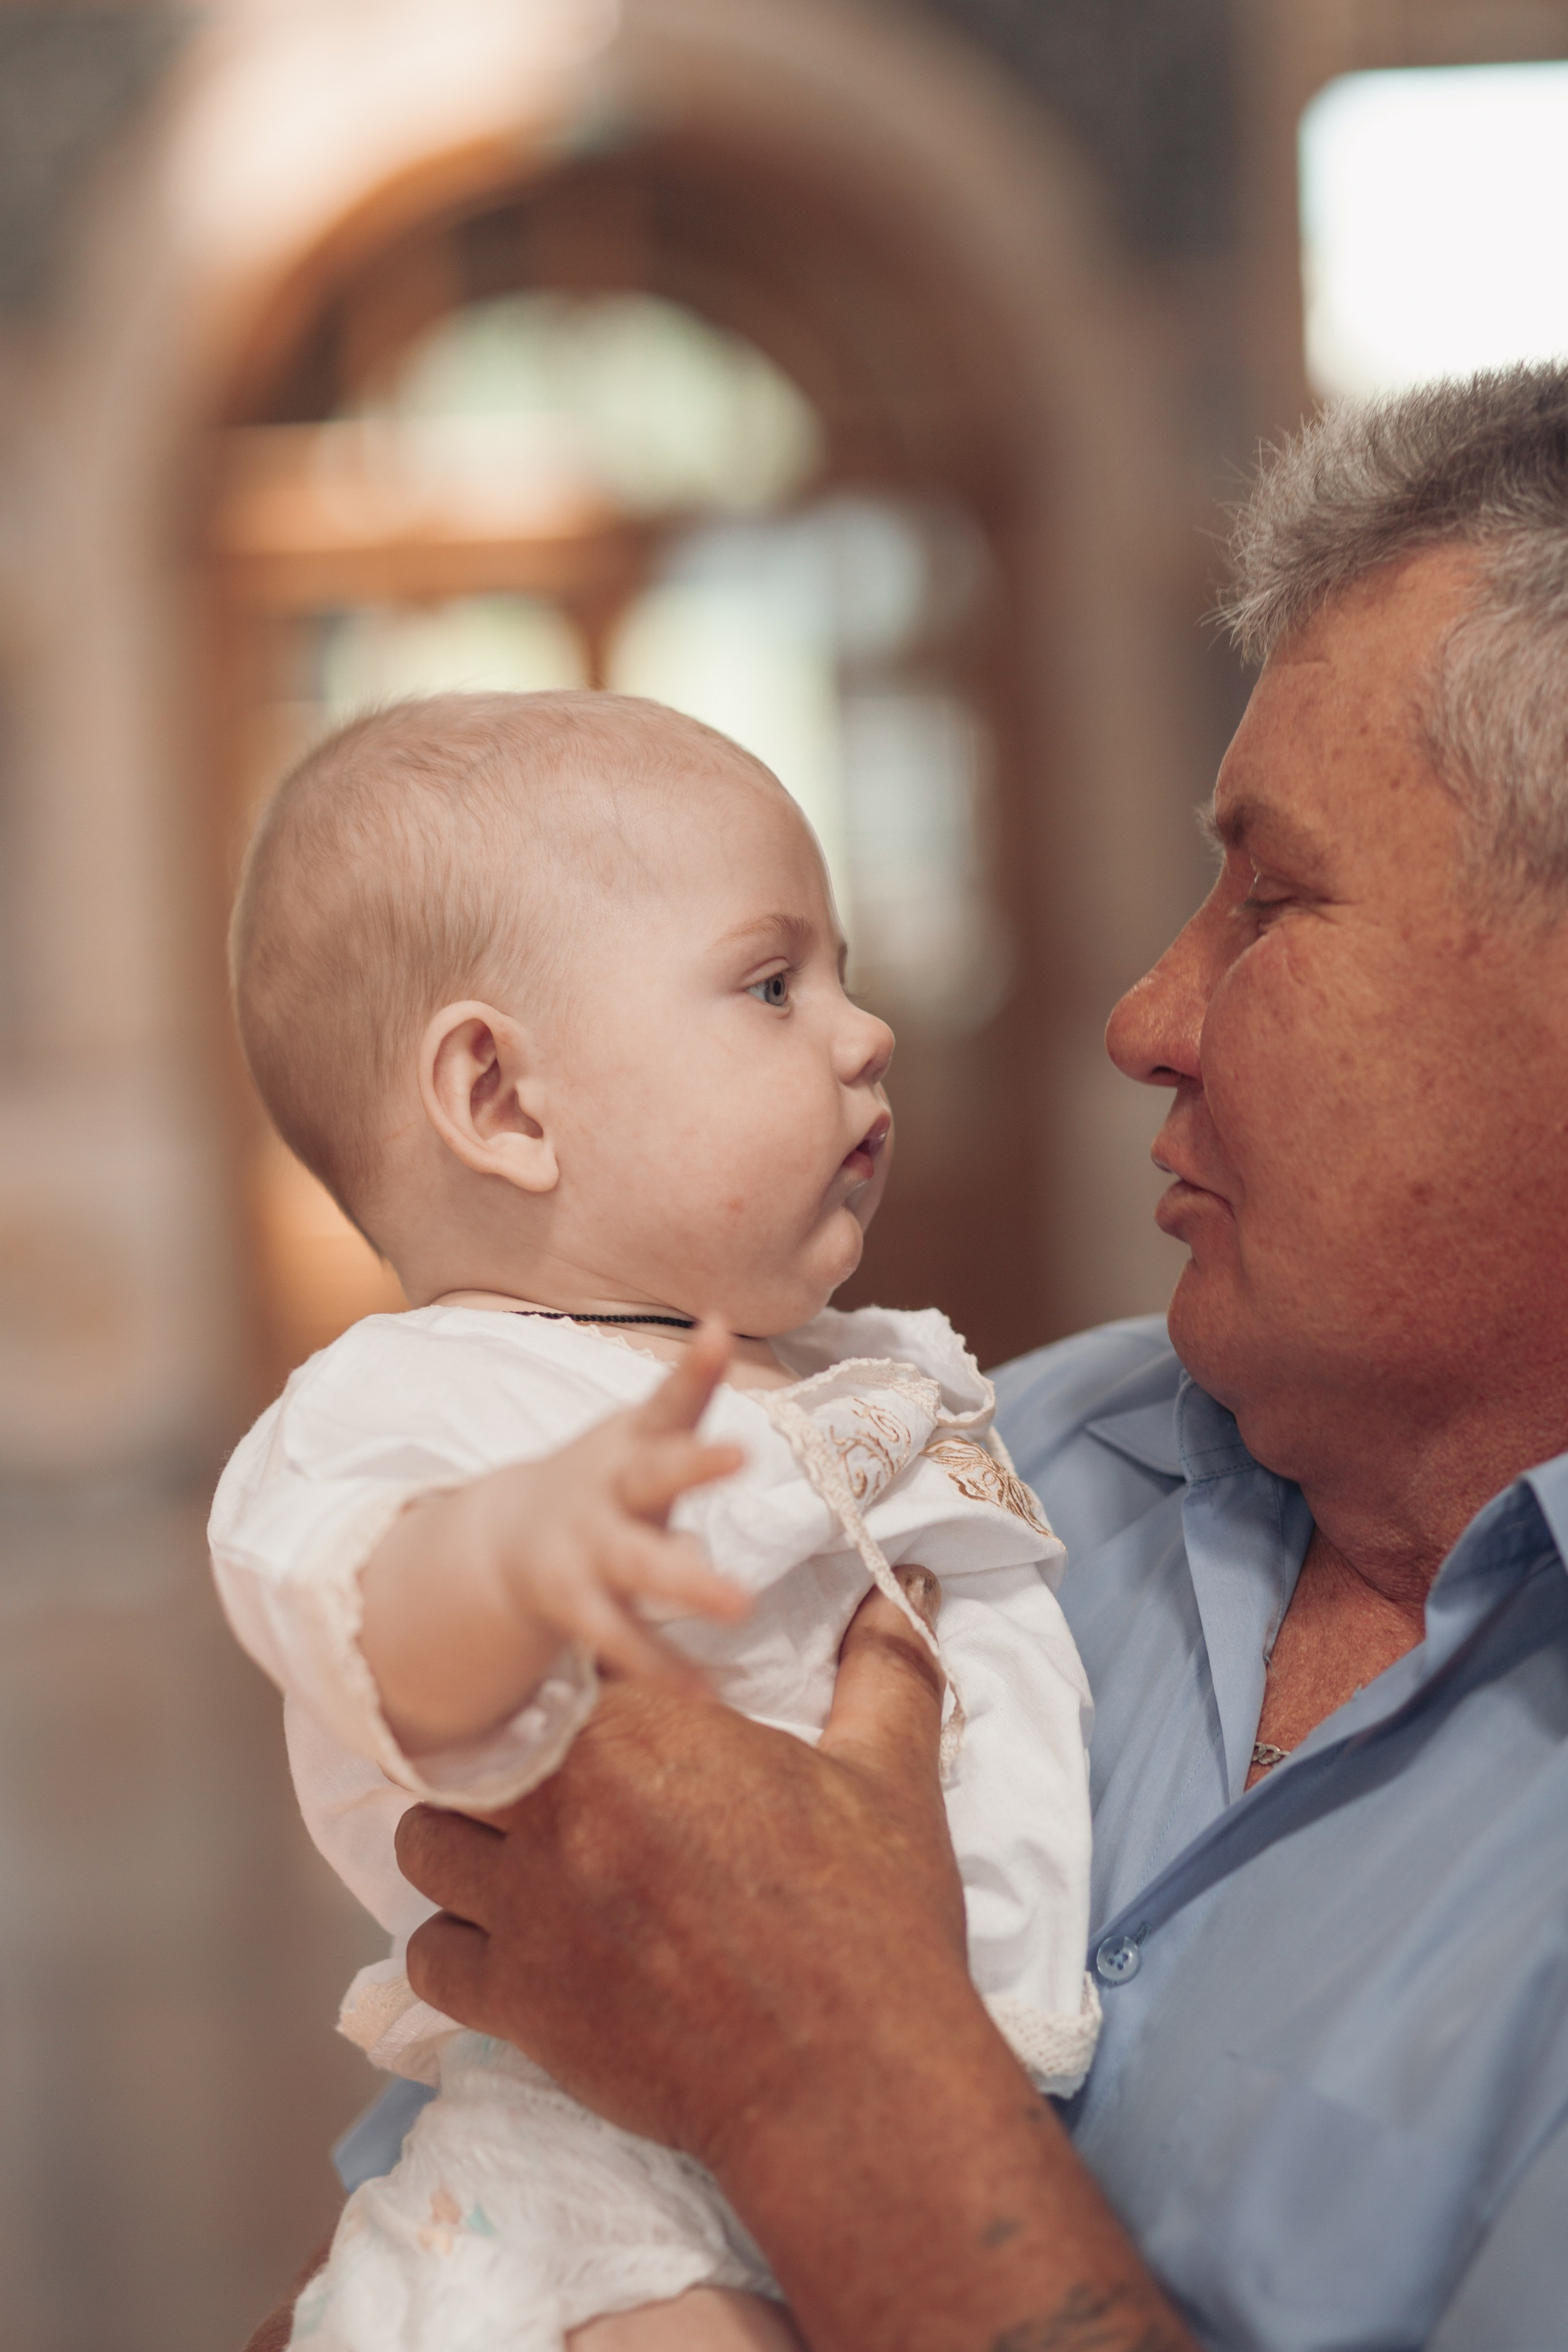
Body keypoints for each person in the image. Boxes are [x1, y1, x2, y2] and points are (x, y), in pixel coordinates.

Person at [366, 364, 1568, 2352]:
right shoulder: (969, 1461)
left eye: (1271, 901)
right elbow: (443, 2227)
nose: (1144, 1014)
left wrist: (824, 2072)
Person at [213, 691, 1099, 2351]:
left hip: (951, 2128)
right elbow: (362, 1613)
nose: (864, 1031)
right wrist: (522, 1551)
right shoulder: (433, 1410)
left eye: (837, 971)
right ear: (505, 1104)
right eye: (773, 986)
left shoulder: (846, 1369)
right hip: (608, 2180)